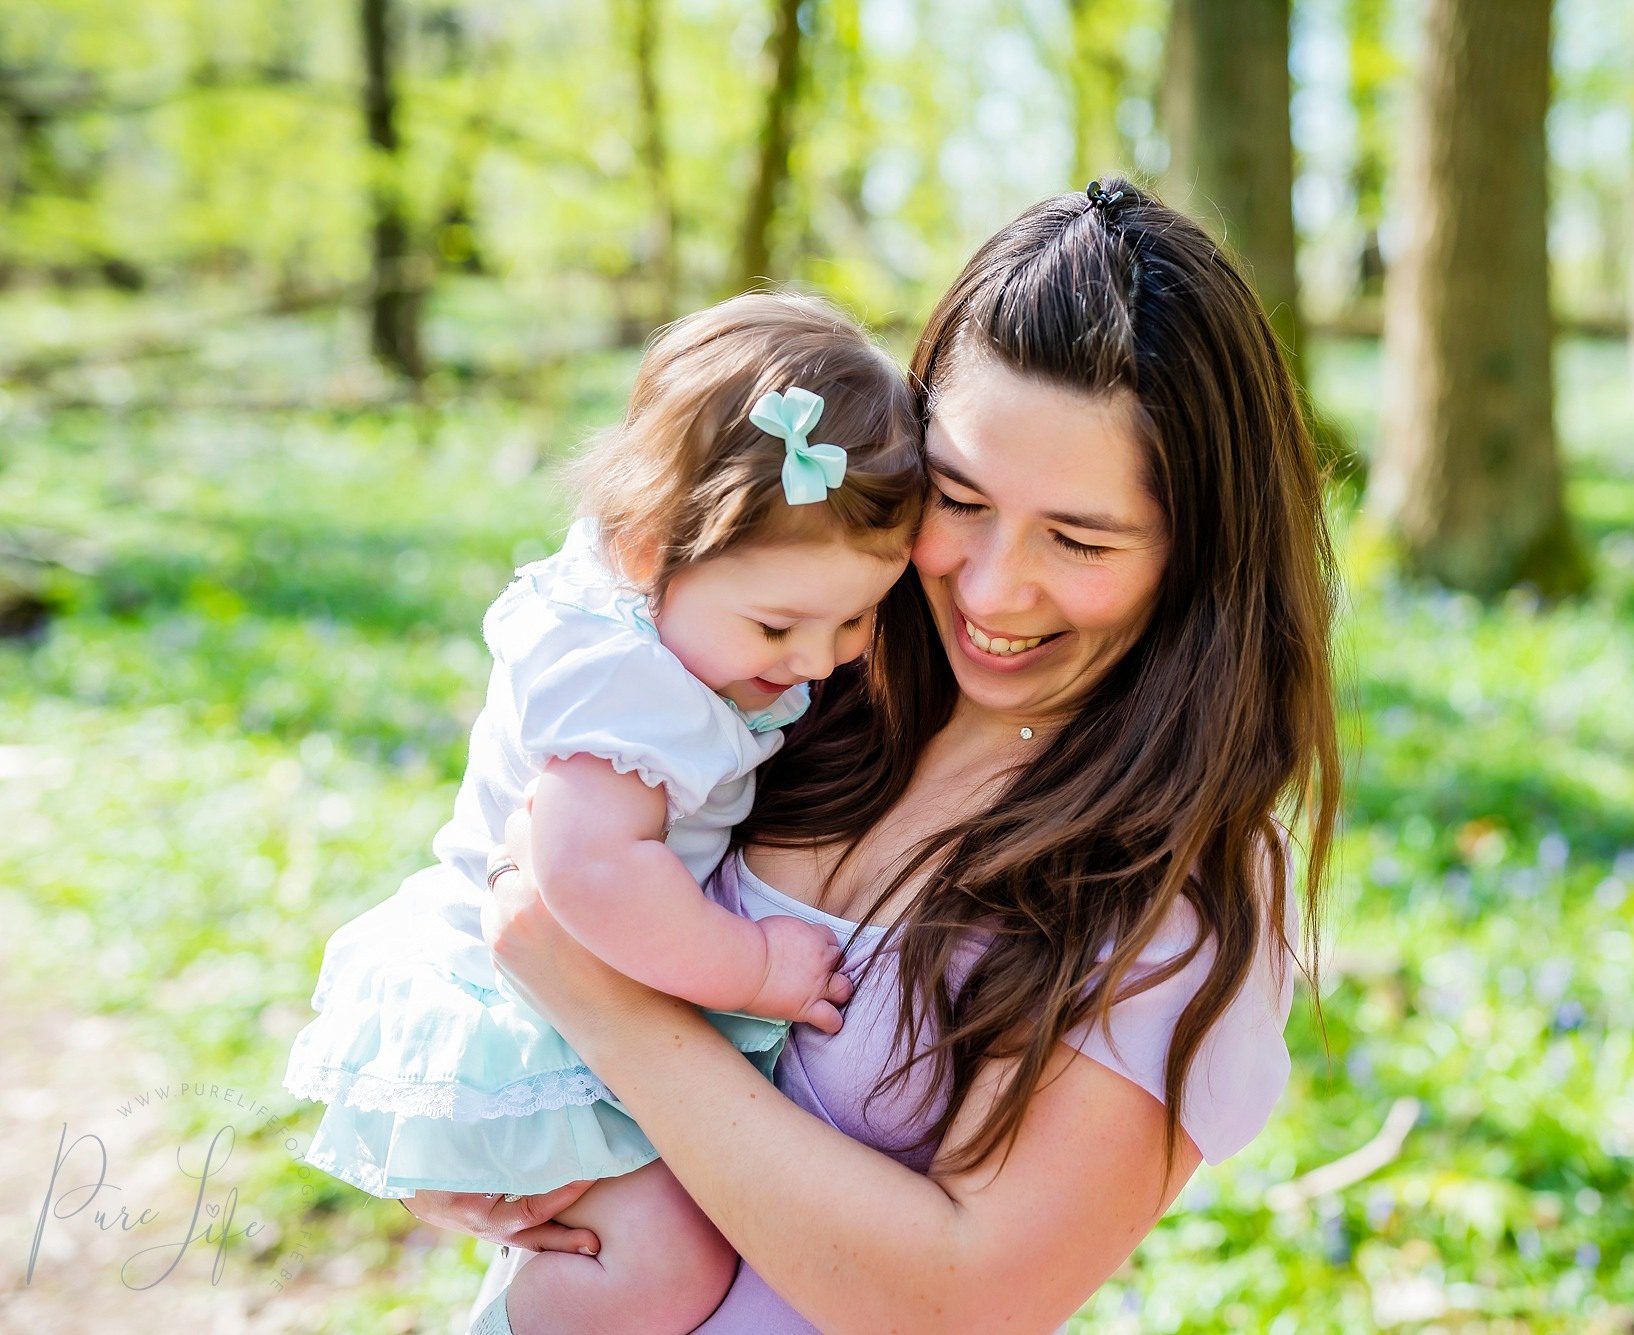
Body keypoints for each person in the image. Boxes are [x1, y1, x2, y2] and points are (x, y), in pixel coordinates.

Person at [417, 177, 1340, 1333]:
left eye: (1079, 538)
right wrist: (459, 1111)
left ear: (1199, 552)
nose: (995, 588)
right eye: (958, 499)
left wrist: (595, 996)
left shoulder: (1172, 880)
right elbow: (525, 834)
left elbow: (961, 1300)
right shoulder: (807, 677)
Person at [282, 292, 926, 1332]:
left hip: (566, 990)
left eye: (857, 617)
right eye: (777, 625)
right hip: (519, 1010)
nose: (815, 661)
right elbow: (581, 872)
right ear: (643, 550)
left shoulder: (673, 628)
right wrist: (752, 967)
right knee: (660, 1262)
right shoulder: (631, 692)